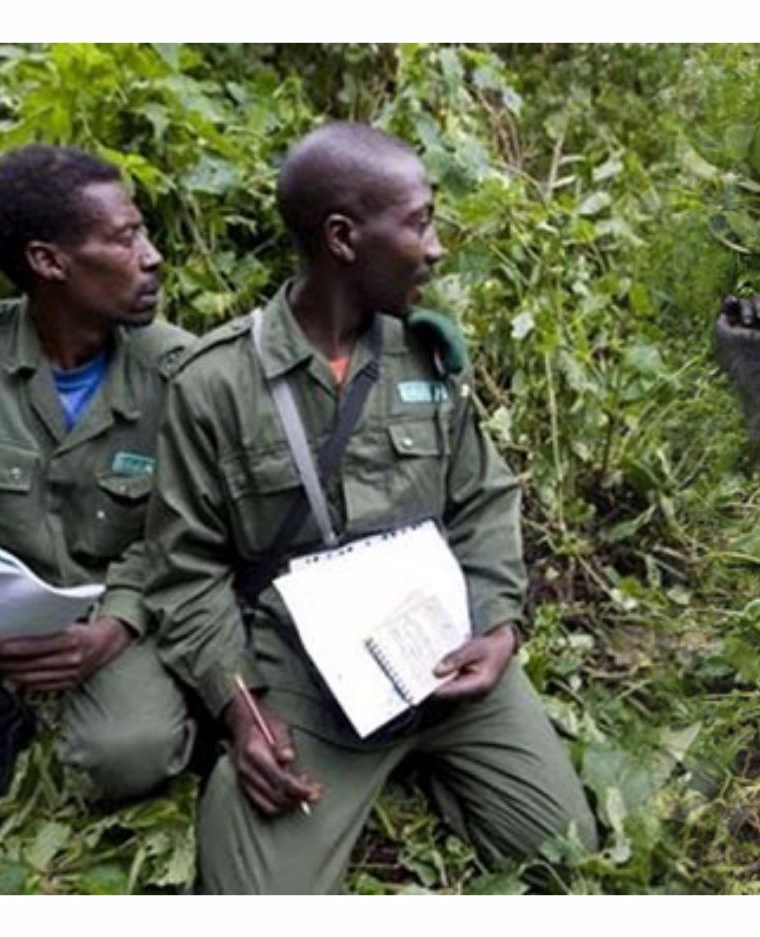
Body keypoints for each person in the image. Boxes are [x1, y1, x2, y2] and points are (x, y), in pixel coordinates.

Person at [144, 122, 596, 894]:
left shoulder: (426, 355)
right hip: (310, 678)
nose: (436, 246)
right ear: (344, 238)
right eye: (418, 222)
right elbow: (185, 569)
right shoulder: (215, 383)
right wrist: (241, 706)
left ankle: (429, 764)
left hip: (445, 660)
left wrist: (498, 623)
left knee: (567, 853)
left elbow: (483, 499)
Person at [0, 144, 197, 802]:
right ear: (48, 261)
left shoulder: (180, 374)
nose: (151, 256)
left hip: (106, 611)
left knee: (128, 757)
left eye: (143, 230)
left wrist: (113, 627)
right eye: (124, 238)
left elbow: (188, 535)